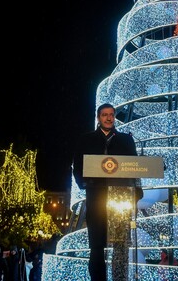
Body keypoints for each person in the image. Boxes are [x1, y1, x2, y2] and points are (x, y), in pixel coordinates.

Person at [73, 103, 142, 281]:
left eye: (111, 114)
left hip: (121, 200)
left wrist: (136, 192)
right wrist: (85, 183)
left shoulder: (126, 140)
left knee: (120, 246)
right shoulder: (85, 139)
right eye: (104, 114)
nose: (109, 117)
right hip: (96, 198)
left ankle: (120, 278)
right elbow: (78, 167)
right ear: (98, 118)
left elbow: (135, 167)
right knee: (96, 247)